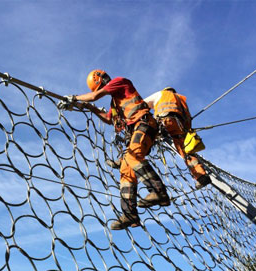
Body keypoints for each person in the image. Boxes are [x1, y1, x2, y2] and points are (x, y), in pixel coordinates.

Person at [58, 70, 170, 230]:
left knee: (132, 157)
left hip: (144, 124)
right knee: (125, 169)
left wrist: (74, 98)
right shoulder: (115, 103)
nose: (103, 88)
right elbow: (109, 119)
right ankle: (129, 214)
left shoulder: (120, 81)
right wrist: (90, 108)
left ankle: (159, 192)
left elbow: (94, 96)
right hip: (138, 130)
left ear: (101, 79)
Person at [144, 87, 211, 189]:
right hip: (180, 127)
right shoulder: (182, 101)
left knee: (145, 136)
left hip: (165, 121)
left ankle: (130, 156)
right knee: (186, 152)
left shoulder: (161, 94)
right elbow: (188, 119)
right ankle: (201, 176)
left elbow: (141, 105)